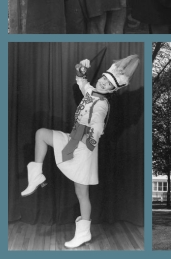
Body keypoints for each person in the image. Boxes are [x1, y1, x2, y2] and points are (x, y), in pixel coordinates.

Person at [20, 55, 140, 248]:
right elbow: (81, 82)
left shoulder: (102, 104)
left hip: (85, 150)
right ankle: (36, 175)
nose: (102, 82)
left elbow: (97, 130)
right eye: (103, 78)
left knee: (81, 193)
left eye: (108, 83)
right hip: (73, 138)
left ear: (112, 89)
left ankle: (84, 233)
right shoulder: (92, 91)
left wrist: (83, 139)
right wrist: (81, 69)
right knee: (41, 134)